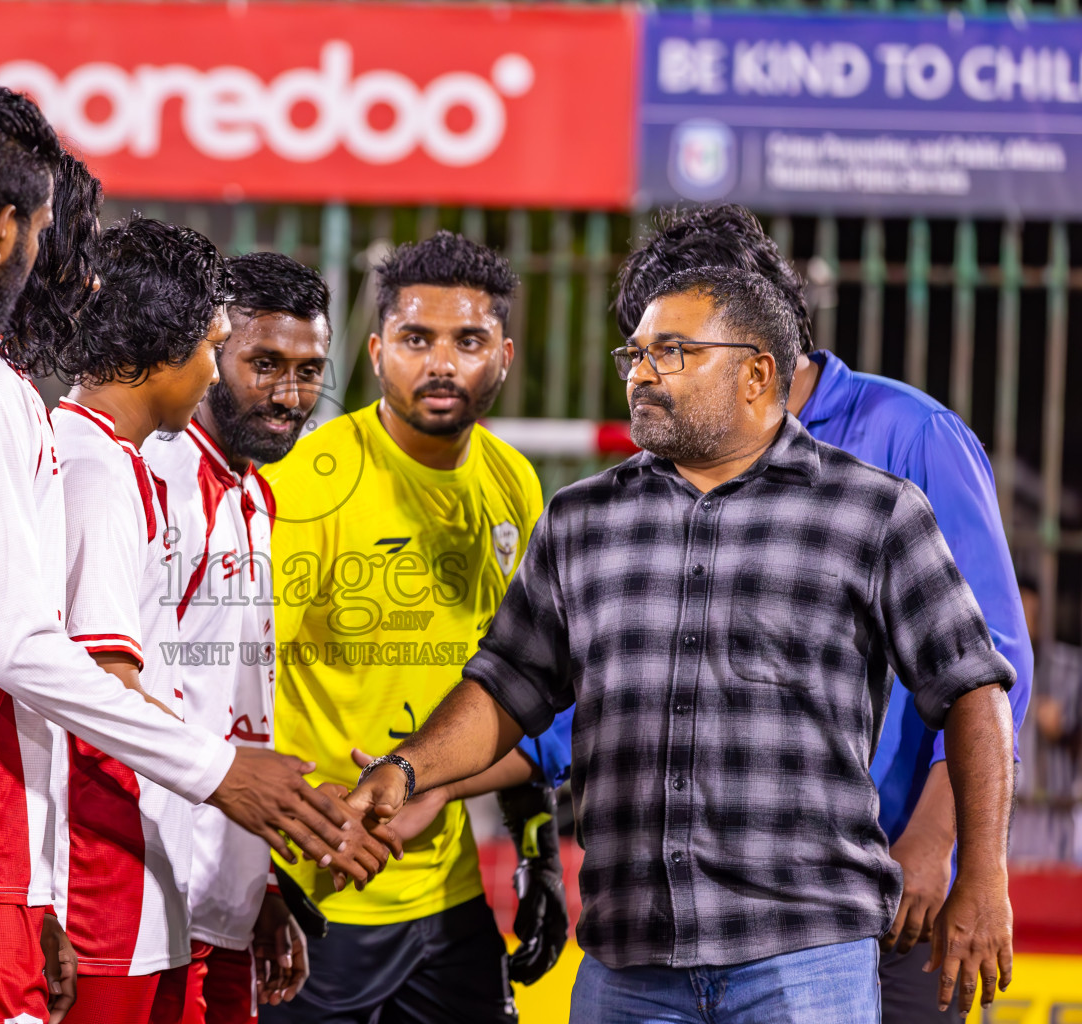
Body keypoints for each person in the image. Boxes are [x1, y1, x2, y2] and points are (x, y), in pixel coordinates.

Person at [350, 266, 1019, 1023]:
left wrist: (982, 874)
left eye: (672, 352)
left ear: (757, 373)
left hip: (805, 964)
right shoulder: (582, 520)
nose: (641, 373)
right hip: (628, 966)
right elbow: (506, 688)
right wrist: (408, 769)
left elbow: (975, 688)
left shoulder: (873, 512)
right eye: (633, 353)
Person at [0, 81, 388, 1024]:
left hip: (145, 872)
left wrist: (254, 865)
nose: (259, 383)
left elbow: (202, 697)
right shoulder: (74, 448)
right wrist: (226, 783)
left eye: (310, 371)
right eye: (233, 351)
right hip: (76, 869)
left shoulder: (236, 491)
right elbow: (65, 671)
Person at [562, 203, 1030, 1021]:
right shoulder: (677, 460)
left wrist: (936, 841)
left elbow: (988, 667)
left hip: (888, 890)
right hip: (701, 915)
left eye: (678, 347)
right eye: (648, 347)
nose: (652, 372)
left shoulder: (909, 435)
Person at [260, 231, 540, 1024]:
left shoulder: (513, 482)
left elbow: (530, 692)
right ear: (379, 350)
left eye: (469, 340)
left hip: (449, 896)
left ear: (505, 355)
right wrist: (315, 821)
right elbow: (229, 693)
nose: (442, 363)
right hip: (317, 890)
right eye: (418, 339)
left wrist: (531, 836)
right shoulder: (310, 484)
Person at [51, 214, 236, 1022]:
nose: (216, 374)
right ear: (159, 351)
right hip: (100, 860)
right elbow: (105, 682)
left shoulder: (112, 456)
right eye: (212, 346)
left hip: (145, 852)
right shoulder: (90, 468)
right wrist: (236, 779)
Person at [142, 251, 332, 1022]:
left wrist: (260, 886)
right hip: (147, 898)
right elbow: (106, 696)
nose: (291, 395)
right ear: (211, 348)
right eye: (264, 364)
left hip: (222, 893)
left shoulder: (255, 492)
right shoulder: (155, 474)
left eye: (310, 369)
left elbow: (228, 707)